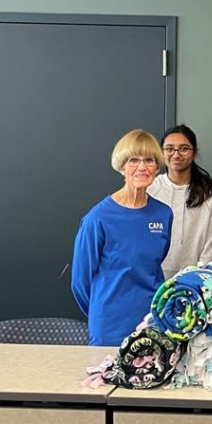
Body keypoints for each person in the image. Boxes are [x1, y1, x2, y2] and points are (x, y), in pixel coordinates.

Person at [71, 130, 172, 346]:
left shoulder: (163, 214)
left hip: (152, 321)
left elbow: (153, 264)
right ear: (122, 166)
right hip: (109, 325)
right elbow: (80, 281)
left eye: (149, 160)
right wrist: (102, 311)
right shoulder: (98, 218)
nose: (142, 167)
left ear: (157, 167)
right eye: (134, 160)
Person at [147, 125, 212, 280]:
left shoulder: (207, 193)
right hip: (153, 279)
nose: (176, 154)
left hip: (194, 282)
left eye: (184, 149)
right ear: (161, 153)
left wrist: (198, 279)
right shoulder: (150, 189)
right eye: (169, 149)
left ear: (194, 153)